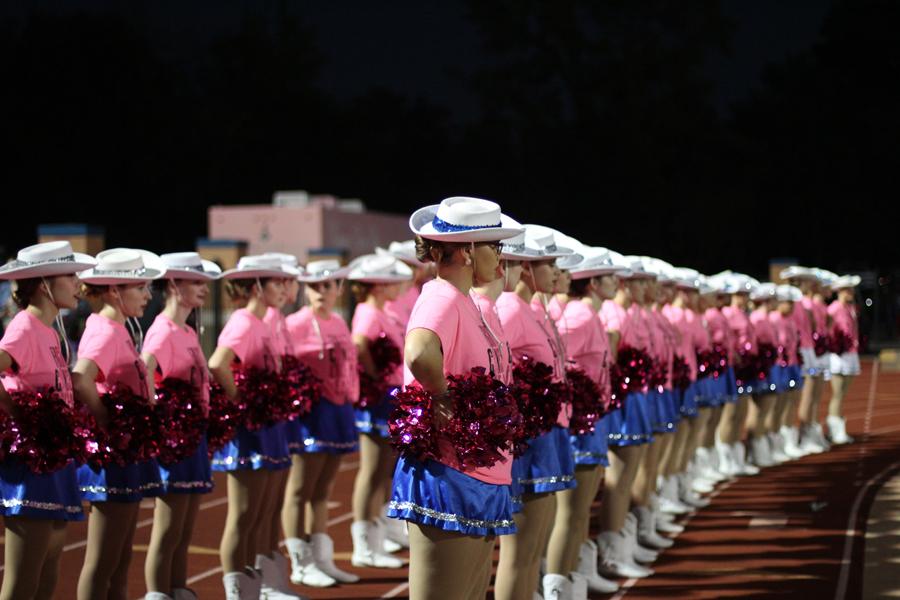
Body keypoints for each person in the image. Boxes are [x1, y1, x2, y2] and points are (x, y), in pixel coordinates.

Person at [387, 197, 523, 600]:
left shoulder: (469, 302)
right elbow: (418, 351)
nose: (500, 256)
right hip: (449, 472)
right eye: (493, 246)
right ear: (466, 251)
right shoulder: (442, 297)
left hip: (477, 472)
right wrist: (441, 395)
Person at [0, 241, 96, 600]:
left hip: (54, 459)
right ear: (44, 284)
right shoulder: (24, 328)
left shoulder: (50, 330)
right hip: (31, 465)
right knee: (24, 577)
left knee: (48, 566)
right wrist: (18, 414)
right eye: (70, 276)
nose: (78, 284)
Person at [74, 248, 167, 600]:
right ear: (115, 290)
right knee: (102, 561)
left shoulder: (119, 328)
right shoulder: (107, 331)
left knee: (120, 557)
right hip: (112, 460)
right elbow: (81, 379)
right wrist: (107, 420)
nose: (148, 295)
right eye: (141, 287)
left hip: (126, 456)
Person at [207, 255, 298, 600]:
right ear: (256, 287)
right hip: (250, 431)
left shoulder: (263, 321)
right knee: (244, 514)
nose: (283, 288)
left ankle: (256, 587)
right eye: (275, 282)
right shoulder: (244, 321)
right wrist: (241, 400)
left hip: (268, 427)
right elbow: (218, 363)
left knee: (261, 513)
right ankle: (237, 591)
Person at [142, 252, 221, 600]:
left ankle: (177, 588)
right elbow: (145, 368)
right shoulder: (162, 329)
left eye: (203, 282)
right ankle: (158, 593)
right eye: (195, 282)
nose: (203, 288)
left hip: (194, 438)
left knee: (185, 529)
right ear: (173, 284)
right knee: (168, 527)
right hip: (175, 442)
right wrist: (158, 413)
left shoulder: (187, 329)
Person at [282, 259, 362, 588]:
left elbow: (349, 365)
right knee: (300, 487)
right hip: (310, 415)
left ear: (339, 289)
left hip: (338, 409)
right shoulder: (295, 323)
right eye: (314, 285)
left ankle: (321, 558)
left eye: (327, 285)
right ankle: (300, 562)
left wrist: (350, 397)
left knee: (323, 489)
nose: (320, 291)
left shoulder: (340, 322)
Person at [348, 254, 413, 568]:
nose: (399, 285)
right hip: (377, 401)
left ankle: (378, 534)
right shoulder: (368, 312)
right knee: (372, 471)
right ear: (379, 285)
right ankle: (364, 544)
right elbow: (358, 344)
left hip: (389, 397)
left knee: (383, 471)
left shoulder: (381, 311)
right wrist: (373, 375)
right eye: (392, 280)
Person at [826, 274, 862, 444]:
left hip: (850, 353)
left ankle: (839, 428)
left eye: (852, 290)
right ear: (840, 291)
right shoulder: (833, 308)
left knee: (843, 393)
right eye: (848, 290)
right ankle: (835, 431)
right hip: (838, 355)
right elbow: (828, 330)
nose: (851, 293)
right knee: (838, 394)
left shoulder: (850, 308)